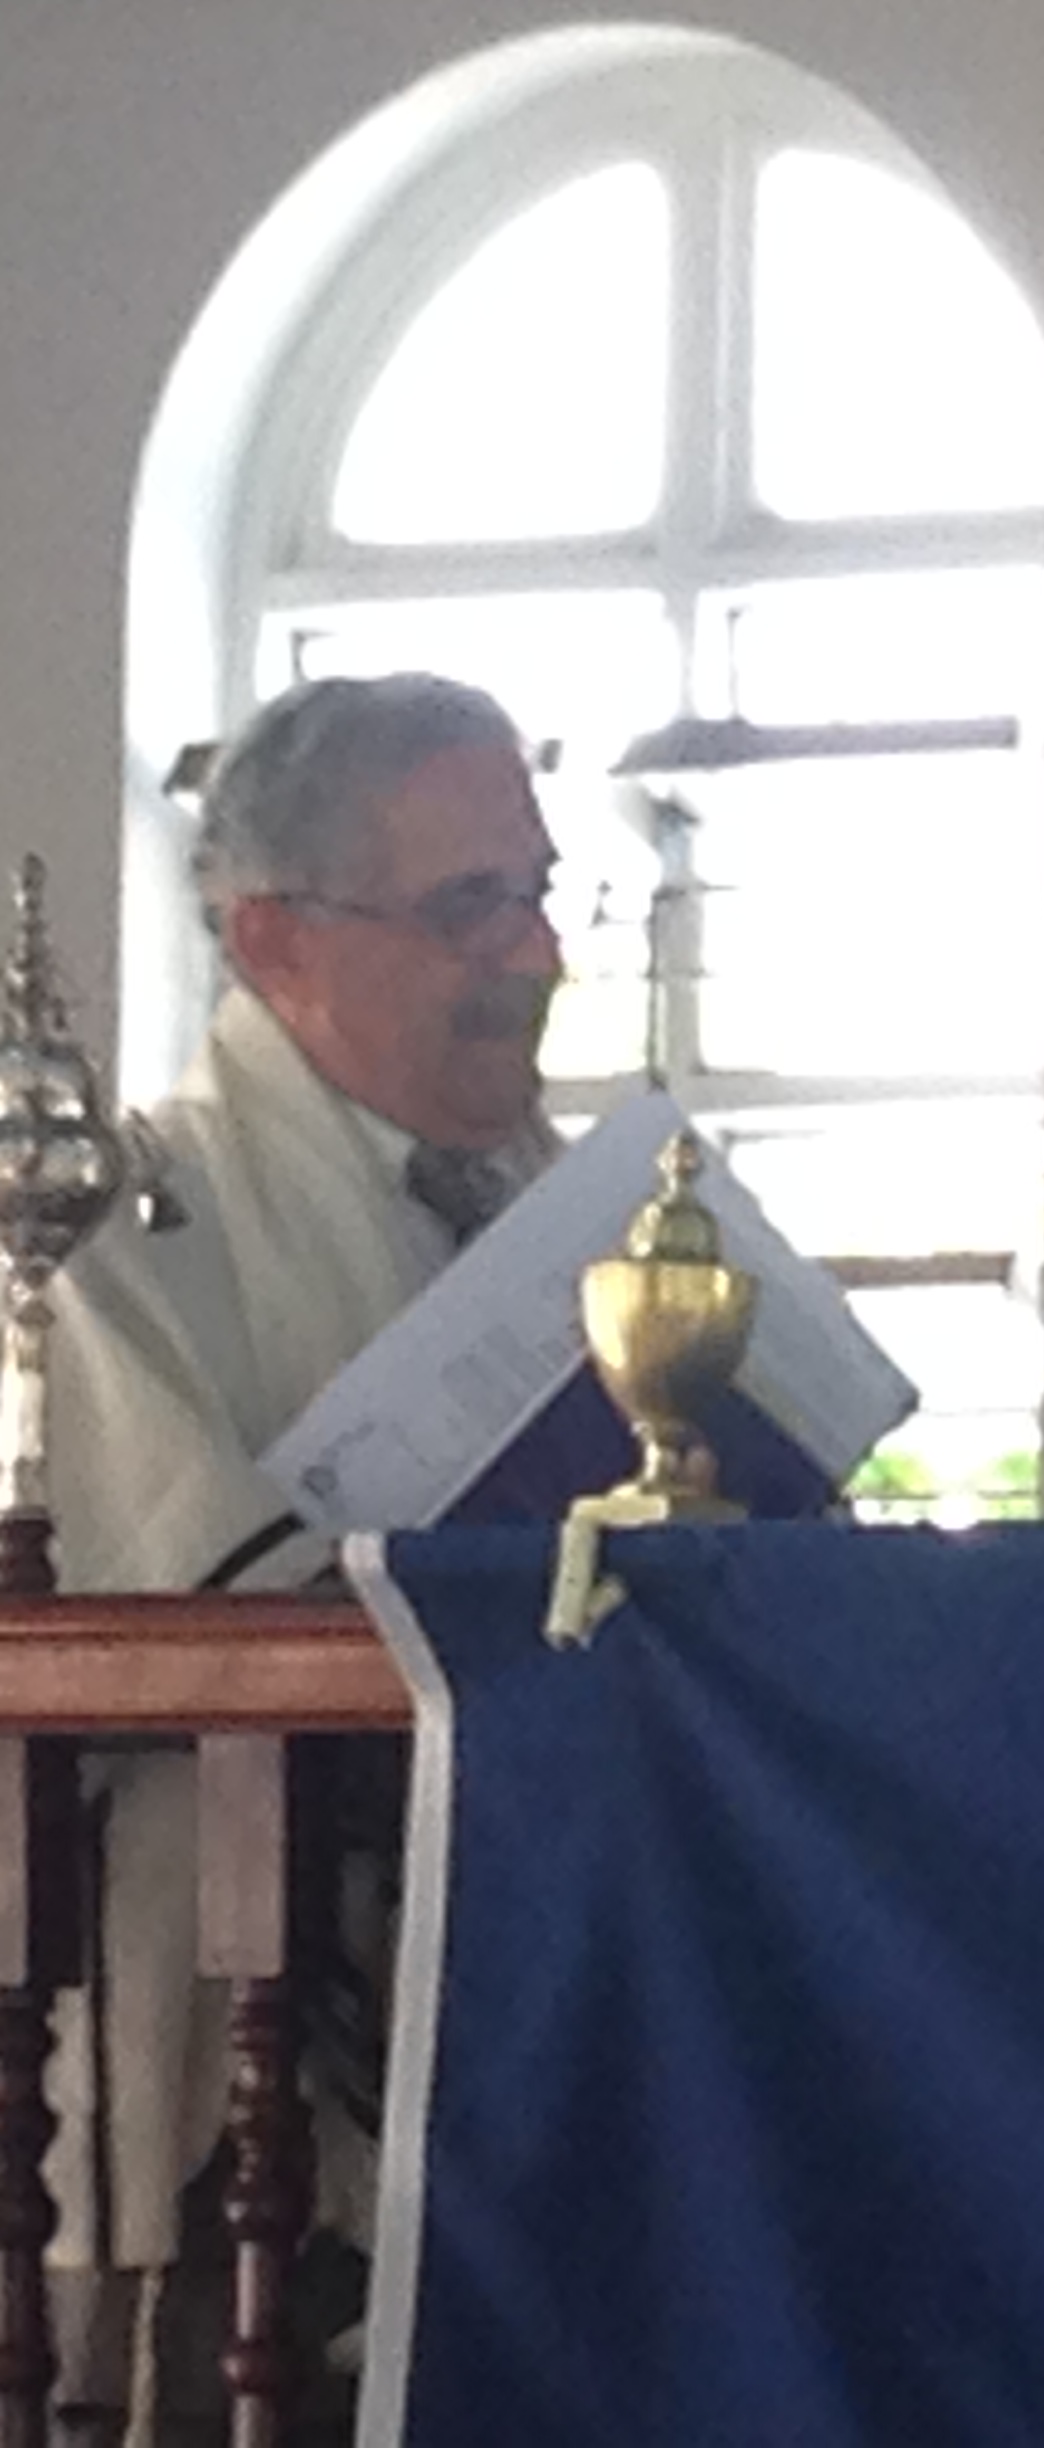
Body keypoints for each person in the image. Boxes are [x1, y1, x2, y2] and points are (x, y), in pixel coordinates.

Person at [45, 672, 562, 2434]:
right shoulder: (120, 1229)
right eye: (469, 905)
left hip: (554, 2026)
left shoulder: (581, 1219)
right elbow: (190, 1606)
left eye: (538, 889)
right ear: (274, 936)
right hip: (251, 2110)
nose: (536, 952)